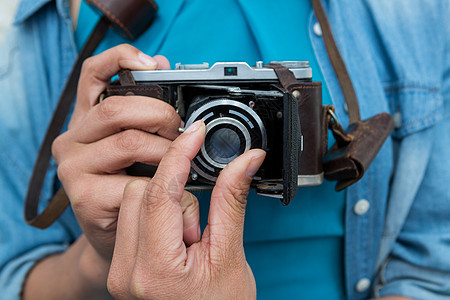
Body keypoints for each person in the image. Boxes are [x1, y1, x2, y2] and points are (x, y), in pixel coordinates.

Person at [0, 0, 449, 299]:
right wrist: (101, 257)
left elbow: (431, 265)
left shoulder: (415, 12)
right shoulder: (58, 15)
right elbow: (13, 272)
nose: (224, 139)